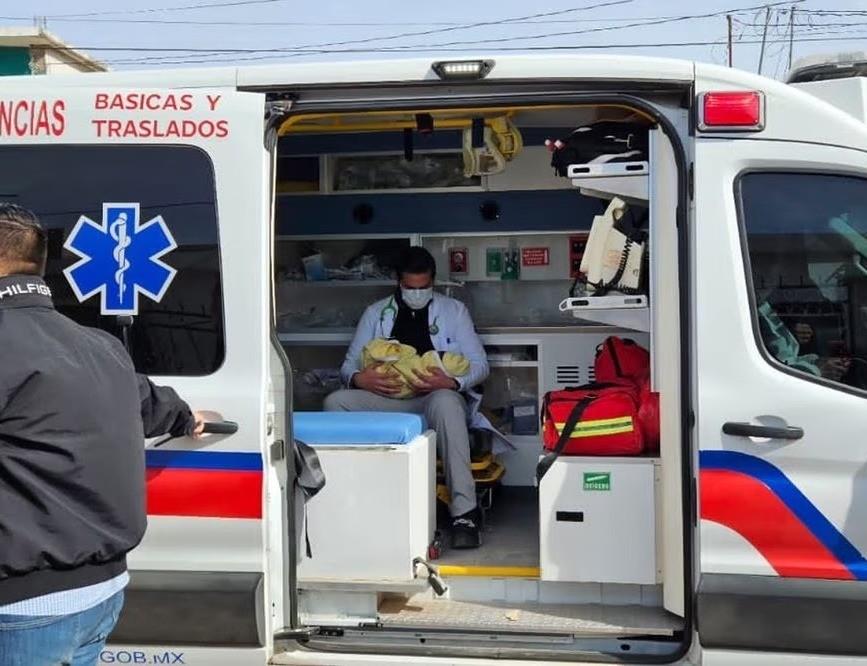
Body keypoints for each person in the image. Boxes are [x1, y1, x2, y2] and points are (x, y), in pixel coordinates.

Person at [0, 204, 204, 666]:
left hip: (21, 606)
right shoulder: (99, 345)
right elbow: (153, 405)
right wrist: (188, 416)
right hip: (102, 593)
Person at [325, 247, 489, 549]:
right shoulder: (376, 313)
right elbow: (347, 366)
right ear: (398, 282)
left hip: (432, 401)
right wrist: (360, 379)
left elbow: (480, 366)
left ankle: (465, 513)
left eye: (424, 287)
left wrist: (452, 381)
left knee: (448, 401)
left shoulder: (454, 311)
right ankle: (350, 501)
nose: (417, 293)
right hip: (388, 401)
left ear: (433, 282)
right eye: (410, 287)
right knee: (336, 402)